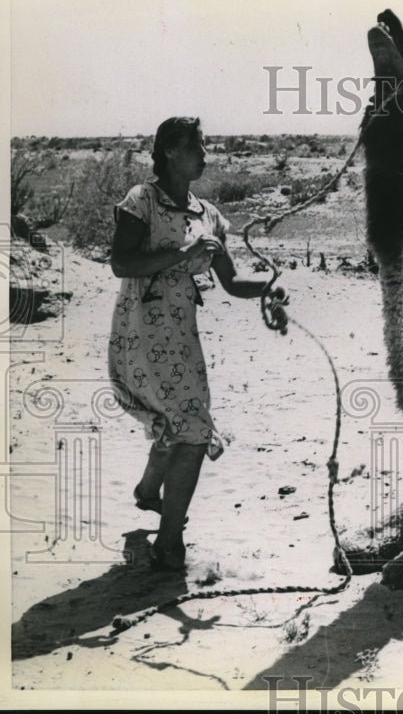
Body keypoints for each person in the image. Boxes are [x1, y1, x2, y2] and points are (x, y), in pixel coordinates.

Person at [108, 116, 273, 570]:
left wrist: (270, 287)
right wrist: (181, 255)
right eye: (198, 146)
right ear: (169, 153)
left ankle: (147, 492)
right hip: (141, 332)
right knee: (193, 428)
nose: (205, 154)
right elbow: (121, 263)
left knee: (177, 420)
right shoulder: (142, 201)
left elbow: (233, 281)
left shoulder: (208, 216)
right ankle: (169, 543)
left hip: (181, 338)